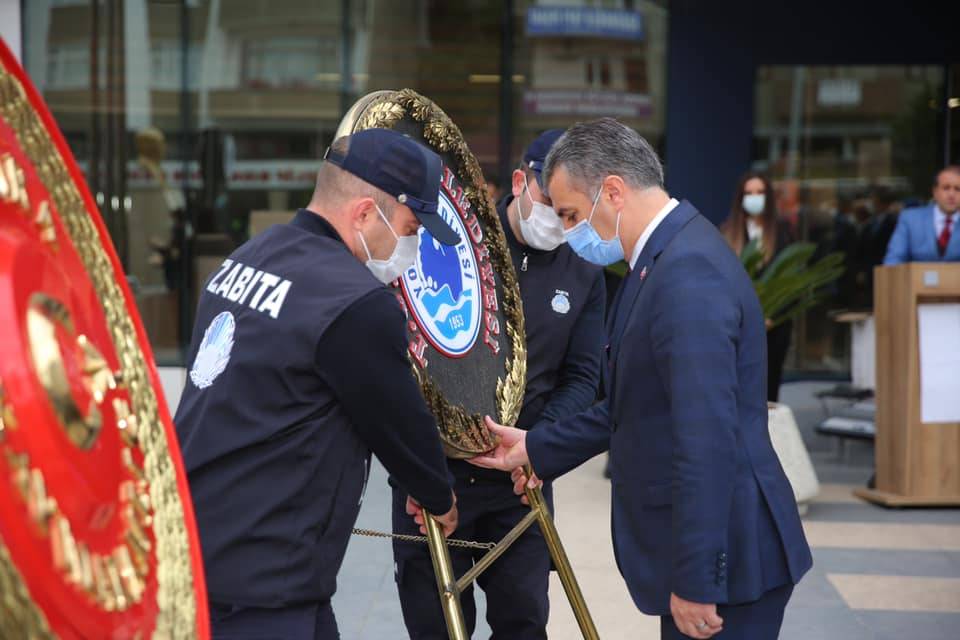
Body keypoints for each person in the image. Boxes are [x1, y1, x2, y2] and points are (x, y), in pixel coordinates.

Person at [470, 118, 812, 640]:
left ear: (612, 191)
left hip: (726, 567)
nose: (565, 231)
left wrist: (697, 578)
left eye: (570, 214)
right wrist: (535, 446)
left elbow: (706, 437)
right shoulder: (659, 261)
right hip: (713, 555)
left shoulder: (687, 273)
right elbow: (633, 402)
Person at [174, 128, 461, 639]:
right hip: (264, 583)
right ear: (366, 214)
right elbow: (401, 425)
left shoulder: (243, 259)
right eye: (412, 227)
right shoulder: (354, 302)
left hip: (198, 549)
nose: (413, 246)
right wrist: (438, 497)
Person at [391, 129, 606, 640]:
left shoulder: (586, 269)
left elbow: (582, 377)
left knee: (524, 620)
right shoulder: (459, 244)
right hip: (434, 475)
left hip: (519, 479)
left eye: (573, 210)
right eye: (551, 203)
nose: (560, 219)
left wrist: (539, 446)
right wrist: (417, 463)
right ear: (521, 182)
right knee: (437, 626)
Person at [719, 172, 795, 402]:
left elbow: (792, 279)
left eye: (760, 192)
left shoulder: (782, 233)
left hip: (774, 327)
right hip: (737, 325)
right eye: (749, 193)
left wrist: (773, 315)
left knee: (768, 388)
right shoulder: (726, 232)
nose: (754, 198)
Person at [883, 166, 960, 264]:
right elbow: (893, 260)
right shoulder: (910, 219)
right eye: (946, 188)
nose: (951, 194)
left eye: (958, 189)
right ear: (935, 192)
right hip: (916, 279)